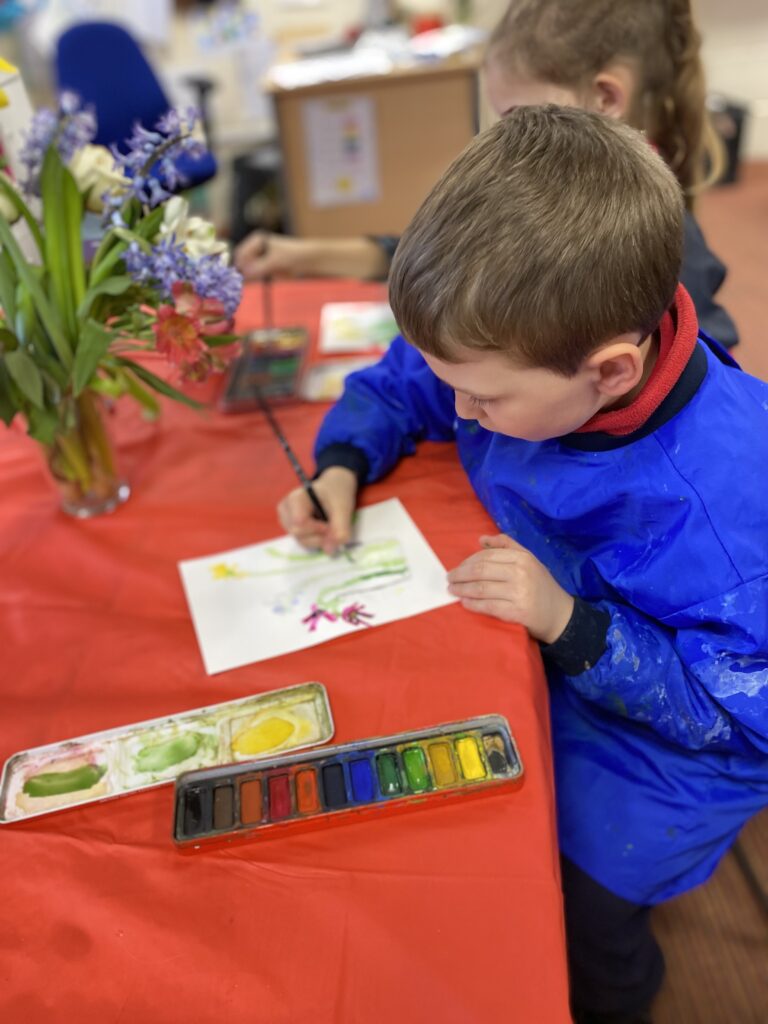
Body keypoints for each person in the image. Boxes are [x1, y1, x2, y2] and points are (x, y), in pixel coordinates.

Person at [277, 106, 768, 1023]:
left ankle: (615, 995)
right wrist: (342, 460)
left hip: (685, 739)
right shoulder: (517, 344)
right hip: (569, 633)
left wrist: (572, 629)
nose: (455, 406)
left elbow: (736, 718)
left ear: (612, 373)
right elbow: (407, 379)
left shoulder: (728, 521)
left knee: (565, 890)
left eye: (482, 397)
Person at [235, 0, 738, 348]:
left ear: (605, 99)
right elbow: (444, 257)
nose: (505, 140)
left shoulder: (664, 243)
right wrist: (301, 254)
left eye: (520, 117)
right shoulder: (547, 184)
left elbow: (707, 376)